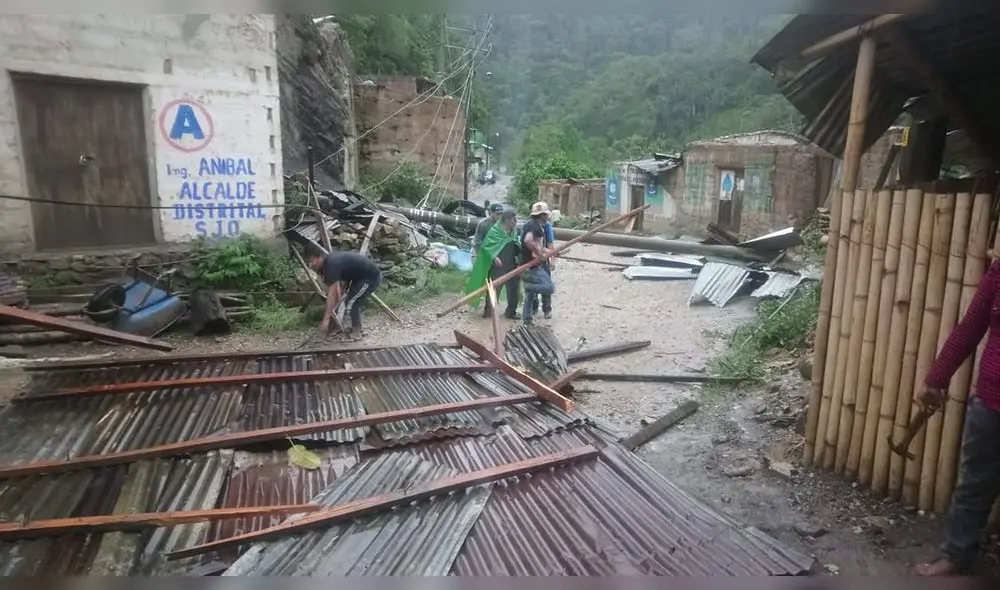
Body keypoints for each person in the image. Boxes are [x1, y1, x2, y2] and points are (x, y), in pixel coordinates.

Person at [911, 259, 1000, 576]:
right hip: (992, 403)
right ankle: (956, 556)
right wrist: (936, 378)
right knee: (975, 484)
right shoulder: (999, 272)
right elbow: (970, 327)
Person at [309, 249, 383, 341]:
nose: (311, 264)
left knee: (351, 302)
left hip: (371, 278)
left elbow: (332, 295)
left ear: (320, 257)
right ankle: (346, 327)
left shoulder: (332, 264)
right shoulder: (329, 263)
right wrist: (332, 313)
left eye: (312, 261)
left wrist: (326, 319)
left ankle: (357, 331)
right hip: (358, 279)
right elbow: (336, 292)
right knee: (349, 301)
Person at [464, 209, 521, 319]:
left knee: (513, 289)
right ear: (507, 220)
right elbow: (486, 247)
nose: (516, 221)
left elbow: (517, 245)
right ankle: (489, 311)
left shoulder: (513, 232)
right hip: (497, 267)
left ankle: (511, 312)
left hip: (511, 264)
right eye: (514, 219)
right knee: (494, 288)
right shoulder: (495, 231)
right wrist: (494, 257)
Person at [520, 201, 556, 325]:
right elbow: (528, 241)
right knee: (549, 287)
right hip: (532, 265)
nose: (547, 217)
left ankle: (527, 319)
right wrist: (540, 255)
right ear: (542, 215)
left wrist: (549, 253)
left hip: (526, 264)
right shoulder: (536, 228)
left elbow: (538, 245)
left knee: (530, 295)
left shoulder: (528, 225)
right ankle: (530, 290)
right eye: (546, 215)